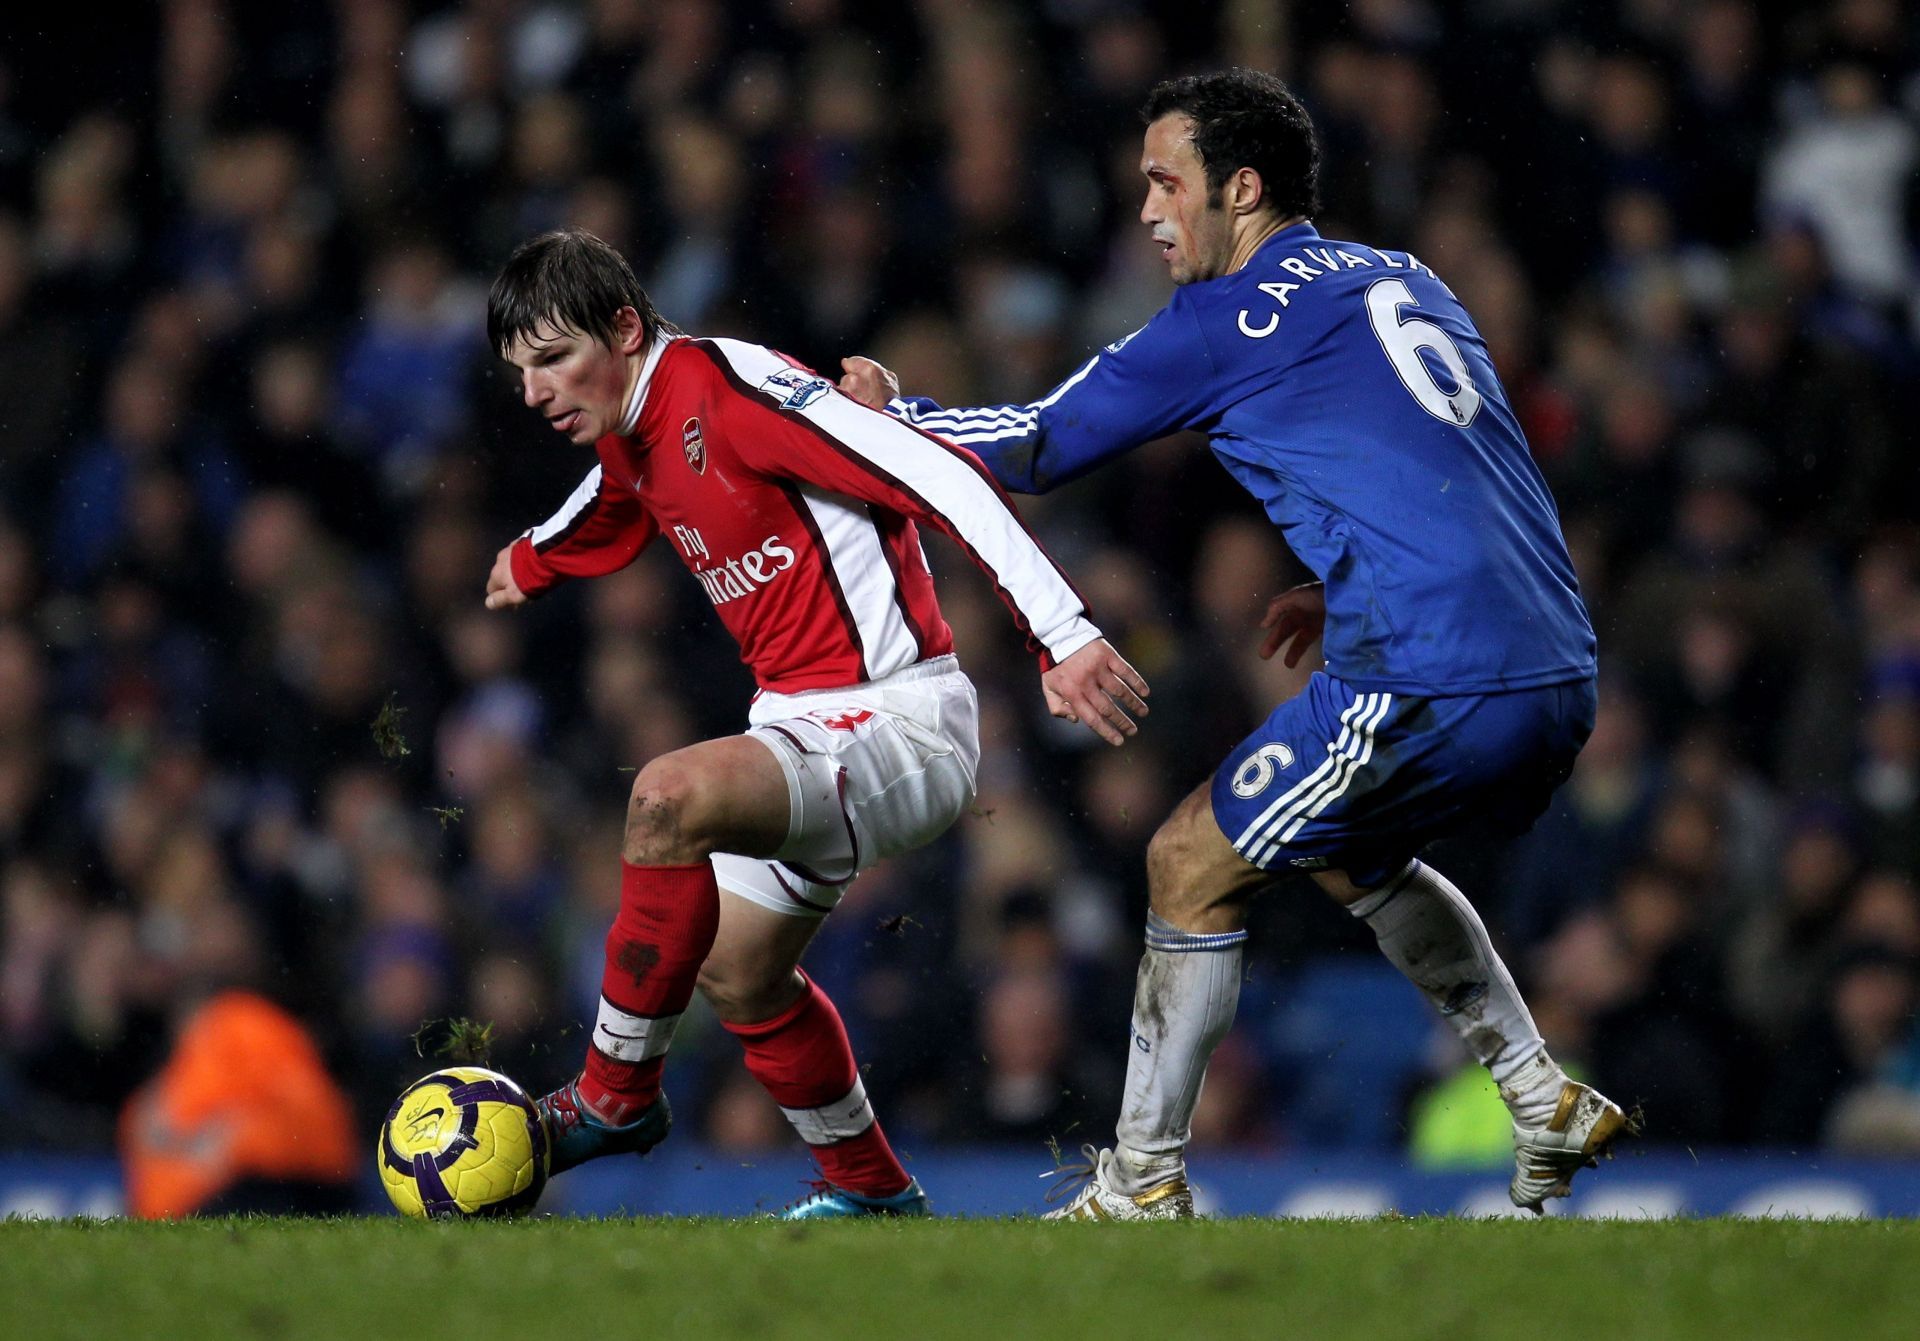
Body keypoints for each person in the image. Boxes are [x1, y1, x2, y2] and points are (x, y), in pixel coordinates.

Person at [839, 69, 1624, 1219]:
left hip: (1433, 665)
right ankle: (1541, 1097)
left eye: (1166, 183)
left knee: (1187, 861)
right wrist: (1338, 577)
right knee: (1339, 843)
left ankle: (1141, 1184)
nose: (1149, 212)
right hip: (1552, 658)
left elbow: (1039, 443)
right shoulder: (1399, 274)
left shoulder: (1227, 318)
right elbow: (1454, 461)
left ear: (1241, 188)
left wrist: (892, 419)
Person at [482, 229, 1148, 1218]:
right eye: (517, 372)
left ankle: (613, 1097)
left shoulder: (735, 392)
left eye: (551, 360)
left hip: (904, 717)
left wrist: (1062, 631)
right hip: (807, 721)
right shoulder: (631, 427)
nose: (534, 392)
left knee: (664, 798)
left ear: (625, 328)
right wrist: (530, 560)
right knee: (736, 971)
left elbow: (938, 474)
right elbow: (613, 503)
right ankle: (872, 1191)